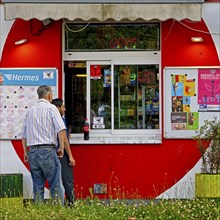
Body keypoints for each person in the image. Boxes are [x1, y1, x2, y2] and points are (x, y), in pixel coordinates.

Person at [21, 85, 66, 204]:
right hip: (48, 150)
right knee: (55, 185)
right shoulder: (52, 109)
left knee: (37, 187)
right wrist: (61, 147)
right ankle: (57, 213)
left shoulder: (30, 111)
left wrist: (26, 152)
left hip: (33, 152)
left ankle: (39, 213)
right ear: (49, 95)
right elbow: (61, 129)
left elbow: (24, 135)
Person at [52, 98, 75, 206]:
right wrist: (70, 156)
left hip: (51, 152)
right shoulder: (59, 119)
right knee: (67, 179)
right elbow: (64, 140)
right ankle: (71, 203)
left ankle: (58, 202)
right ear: (58, 108)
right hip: (62, 153)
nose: (65, 109)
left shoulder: (50, 118)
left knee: (56, 180)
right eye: (63, 107)